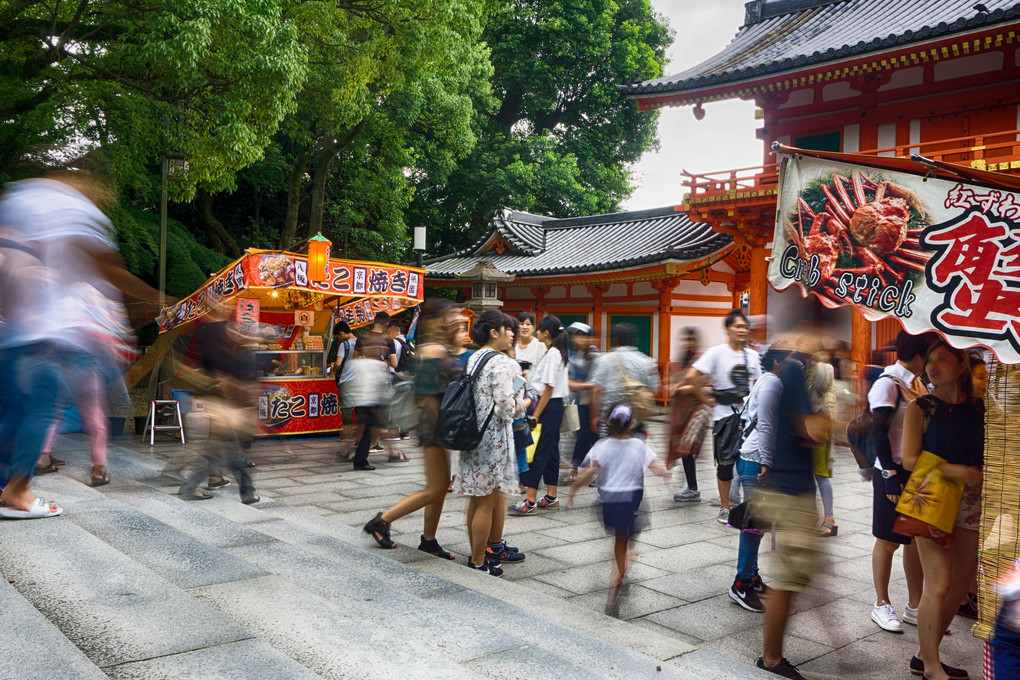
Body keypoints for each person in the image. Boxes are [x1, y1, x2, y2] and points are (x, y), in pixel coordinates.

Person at [0, 172, 163, 518]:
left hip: (13, 332)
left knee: (17, 411)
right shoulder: (77, 209)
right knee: (51, 410)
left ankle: (16, 476)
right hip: (58, 342)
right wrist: (161, 300)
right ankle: (23, 489)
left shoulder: (18, 196)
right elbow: (112, 281)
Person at [901, 342, 982, 680]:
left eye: (942, 359)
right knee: (938, 582)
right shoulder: (920, 407)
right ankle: (933, 668)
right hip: (932, 497)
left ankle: (925, 653)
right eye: (930, 360)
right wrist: (956, 471)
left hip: (972, 502)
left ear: (961, 365)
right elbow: (908, 459)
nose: (932, 366)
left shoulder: (980, 408)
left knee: (962, 586)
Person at [363, 299, 459, 558]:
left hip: (438, 427)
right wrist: (446, 428)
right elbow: (427, 397)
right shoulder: (431, 351)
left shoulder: (437, 348)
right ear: (435, 320)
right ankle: (381, 521)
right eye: (450, 315)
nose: (455, 319)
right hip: (434, 428)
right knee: (436, 488)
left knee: (438, 488)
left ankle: (429, 540)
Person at [755, 344, 825, 680]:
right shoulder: (796, 370)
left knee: (793, 576)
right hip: (790, 487)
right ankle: (770, 658)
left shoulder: (795, 371)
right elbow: (808, 430)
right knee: (787, 578)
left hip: (792, 483)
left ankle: (771, 654)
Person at [568, 403, 666, 615]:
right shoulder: (639, 445)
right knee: (626, 545)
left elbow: (587, 472)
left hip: (608, 504)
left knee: (620, 543)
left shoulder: (601, 446)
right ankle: (614, 592)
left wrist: (573, 491)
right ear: (632, 424)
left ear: (608, 424)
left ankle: (623, 568)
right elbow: (656, 469)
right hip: (630, 502)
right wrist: (666, 474)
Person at [868, 330, 935, 634]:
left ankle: (915, 605)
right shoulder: (888, 383)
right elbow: (877, 433)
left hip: (915, 469)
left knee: (914, 538)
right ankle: (881, 604)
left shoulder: (917, 382)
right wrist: (889, 477)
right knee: (888, 539)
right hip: (891, 470)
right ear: (919, 354)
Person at [454, 311, 521, 576]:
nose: (513, 334)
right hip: (493, 439)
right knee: (486, 503)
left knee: (476, 500)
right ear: (495, 332)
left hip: (473, 434)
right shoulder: (502, 363)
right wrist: (523, 403)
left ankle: (477, 554)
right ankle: (478, 561)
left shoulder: (475, 356)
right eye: (509, 329)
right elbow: (506, 406)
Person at [177, 303, 260, 504]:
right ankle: (247, 493)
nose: (233, 331)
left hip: (220, 409)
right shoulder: (219, 347)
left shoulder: (212, 346)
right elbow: (230, 383)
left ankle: (191, 488)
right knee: (226, 453)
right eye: (230, 329)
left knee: (217, 453)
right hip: (224, 410)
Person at [685, 310, 761, 524]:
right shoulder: (716, 352)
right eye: (737, 326)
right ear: (727, 329)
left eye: (745, 327)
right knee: (725, 464)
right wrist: (706, 398)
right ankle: (725, 507)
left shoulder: (753, 356)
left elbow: (761, 383)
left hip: (748, 418)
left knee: (749, 461)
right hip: (725, 416)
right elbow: (692, 376)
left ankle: (749, 505)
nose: (742, 330)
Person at [728, 347, 785, 614]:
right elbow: (767, 425)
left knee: (757, 523)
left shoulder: (766, 379)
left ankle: (751, 575)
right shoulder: (772, 381)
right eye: (792, 359)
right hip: (755, 459)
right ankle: (741, 584)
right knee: (752, 525)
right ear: (777, 361)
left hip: (751, 456)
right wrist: (767, 462)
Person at [510, 315, 570, 515]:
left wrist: (535, 414)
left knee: (539, 452)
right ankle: (551, 495)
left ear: (546, 332)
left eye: (537, 328)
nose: (535, 331)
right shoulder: (557, 352)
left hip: (548, 406)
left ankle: (530, 500)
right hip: (553, 406)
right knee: (551, 451)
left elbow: (548, 389)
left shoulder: (553, 353)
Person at [670, 327, 712, 503]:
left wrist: (682, 388)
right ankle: (691, 486)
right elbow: (675, 381)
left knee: (686, 448)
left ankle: (693, 489)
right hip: (683, 410)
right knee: (684, 449)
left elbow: (706, 384)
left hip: (698, 409)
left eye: (690, 339)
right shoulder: (683, 360)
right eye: (684, 339)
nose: (686, 343)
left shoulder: (701, 359)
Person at [806, 346, 837, 537]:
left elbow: (820, 384)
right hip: (805, 428)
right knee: (808, 474)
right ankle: (813, 514)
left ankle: (830, 519)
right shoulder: (803, 370)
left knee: (820, 474)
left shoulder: (823, 370)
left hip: (818, 428)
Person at [565, 322, 599, 483]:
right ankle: (577, 468)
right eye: (576, 335)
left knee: (593, 436)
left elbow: (597, 382)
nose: (578, 339)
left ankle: (593, 470)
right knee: (581, 435)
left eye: (582, 336)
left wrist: (578, 384)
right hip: (579, 401)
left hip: (593, 401)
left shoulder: (594, 355)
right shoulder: (572, 354)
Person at [331, 320, 359, 461]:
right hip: (360, 383)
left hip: (346, 383)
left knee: (347, 413)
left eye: (338, 337)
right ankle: (360, 442)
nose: (339, 339)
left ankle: (347, 444)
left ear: (341, 333)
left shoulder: (344, 344)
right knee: (360, 413)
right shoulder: (361, 342)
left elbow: (337, 363)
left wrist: (333, 370)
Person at [514, 312, 546, 391]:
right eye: (521, 324)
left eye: (528, 324)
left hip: (533, 391)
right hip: (514, 391)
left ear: (534, 327)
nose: (524, 327)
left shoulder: (540, 345)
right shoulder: (511, 345)